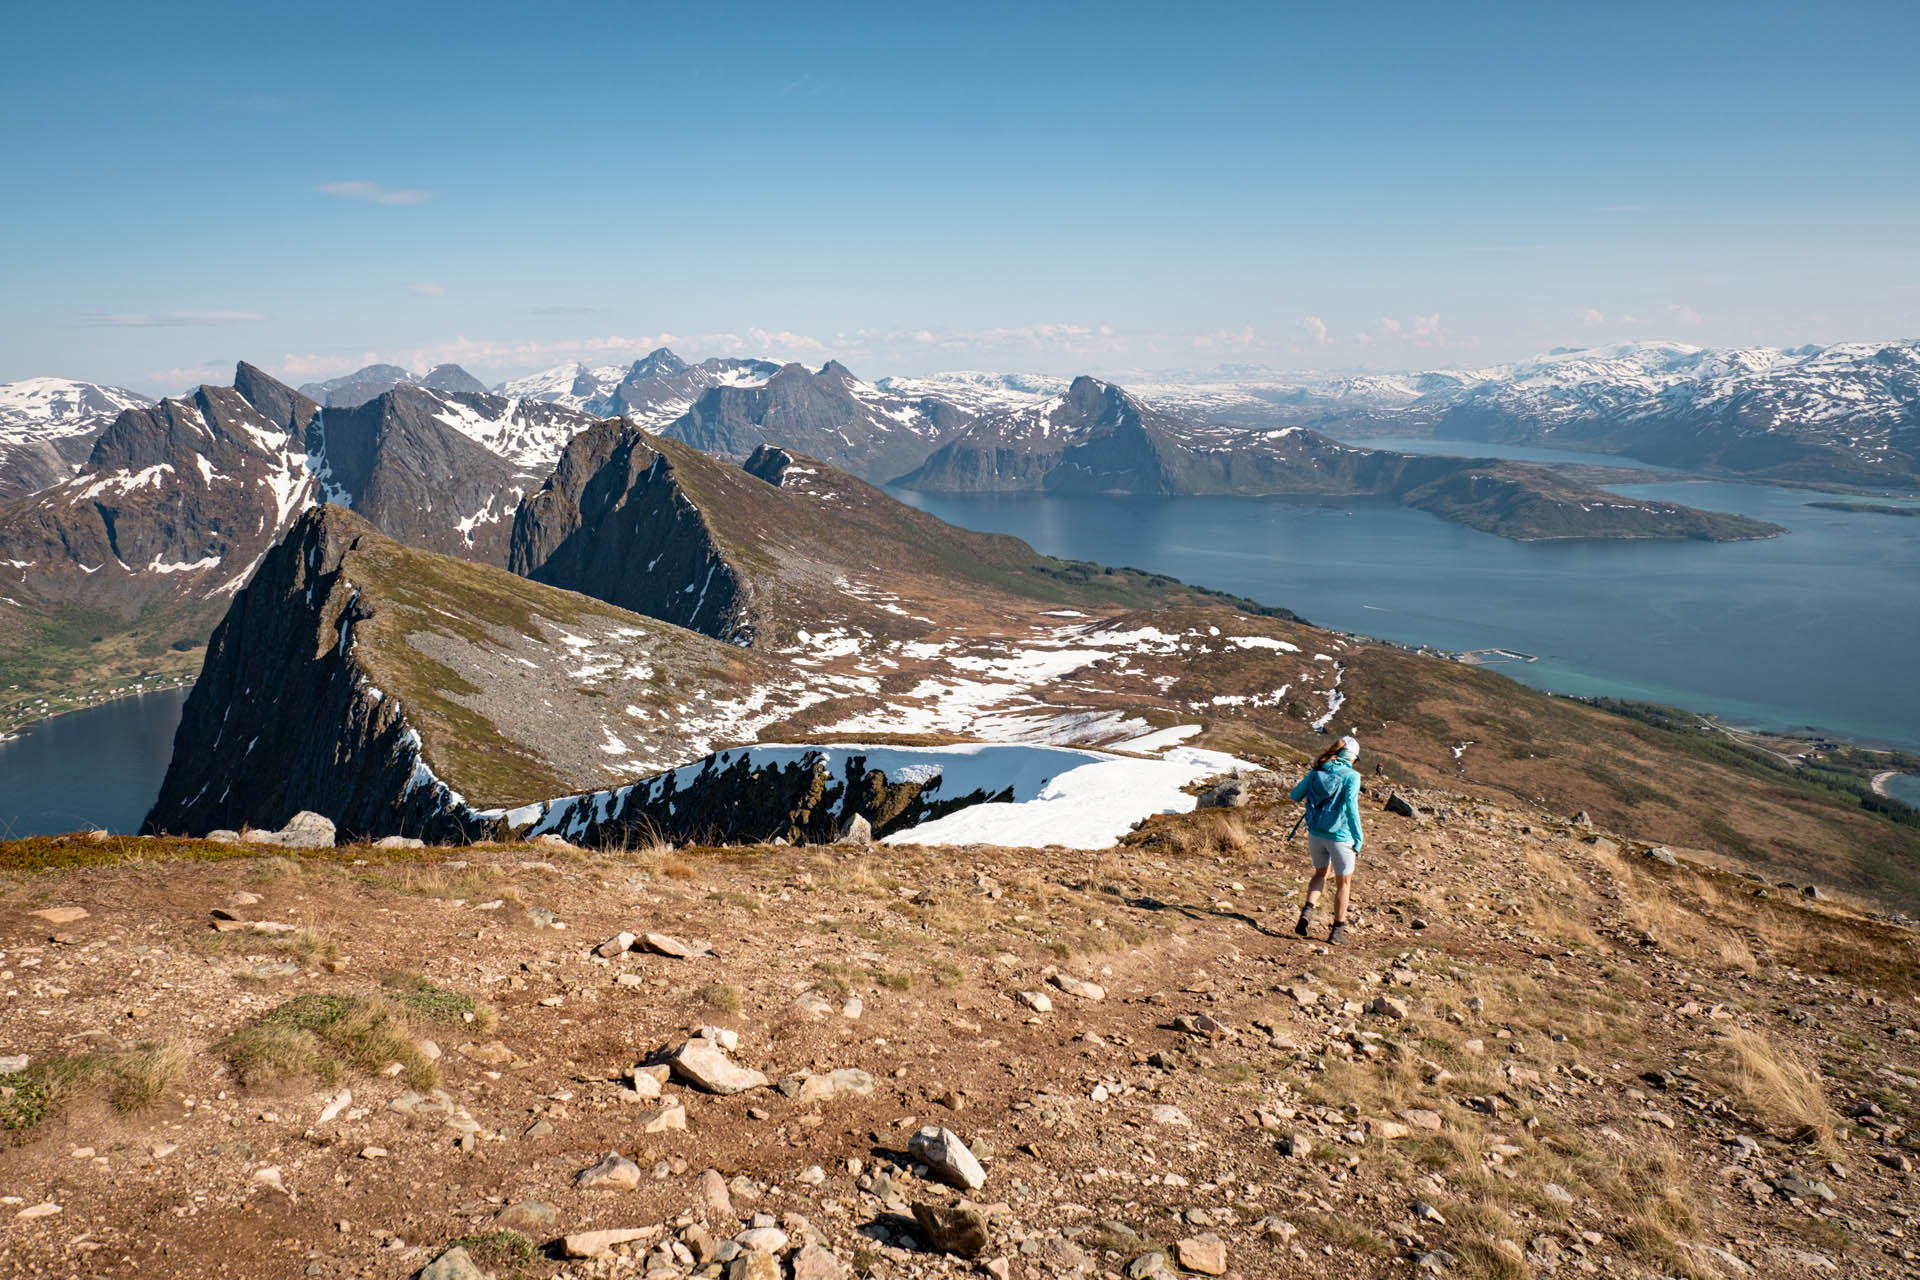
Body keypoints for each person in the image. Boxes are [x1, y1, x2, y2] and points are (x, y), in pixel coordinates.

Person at [1290, 733, 1364, 944]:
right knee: (1344, 883)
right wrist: (1358, 837)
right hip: (1340, 836)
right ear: (1352, 757)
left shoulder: (1316, 772)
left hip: (1315, 833)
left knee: (1321, 873)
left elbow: (1295, 795)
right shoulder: (1352, 776)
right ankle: (1337, 931)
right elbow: (1351, 808)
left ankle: (1307, 912)